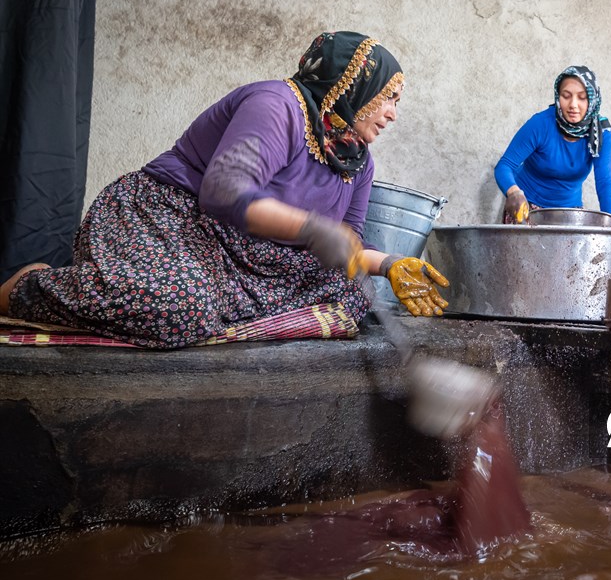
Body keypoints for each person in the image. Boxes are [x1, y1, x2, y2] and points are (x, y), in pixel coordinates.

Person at [0, 31, 450, 348]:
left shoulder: (356, 161)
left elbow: (347, 238)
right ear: (353, 84)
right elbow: (223, 192)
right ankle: (28, 287)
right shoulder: (277, 104)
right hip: (176, 219)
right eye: (388, 97)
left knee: (349, 297)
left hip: (258, 254)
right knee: (181, 308)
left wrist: (389, 263)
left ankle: (219, 307)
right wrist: (313, 230)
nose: (393, 114)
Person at [494, 66, 611, 225]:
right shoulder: (541, 124)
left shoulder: (601, 134)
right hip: (526, 209)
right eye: (566, 96)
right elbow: (504, 166)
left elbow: (605, 186)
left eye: (582, 97)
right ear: (558, 97)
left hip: (570, 213)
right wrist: (513, 192)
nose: (573, 104)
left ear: (592, 100)